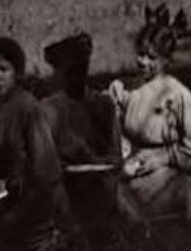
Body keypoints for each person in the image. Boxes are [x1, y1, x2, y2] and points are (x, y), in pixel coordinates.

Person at [0, 38, 68, 251]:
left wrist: (19, 211)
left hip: (37, 202)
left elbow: (46, 173)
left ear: (18, 73)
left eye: (3, 69)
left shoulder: (28, 108)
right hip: (11, 195)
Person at [109, 23, 191, 221]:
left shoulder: (178, 95)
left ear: (165, 60)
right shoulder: (124, 89)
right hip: (130, 171)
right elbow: (111, 131)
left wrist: (162, 159)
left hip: (168, 174)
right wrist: (124, 155)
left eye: (151, 57)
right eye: (140, 54)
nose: (143, 62)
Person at [40, 33, 121, 220]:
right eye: (70, 71)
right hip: (63, 190)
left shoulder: (103, 105)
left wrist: (96, 162)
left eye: (82, 68)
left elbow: (115, 158)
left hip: (101, 188)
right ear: (58, 72)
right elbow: (42, 162)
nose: (77, 75)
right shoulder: (50, 109)